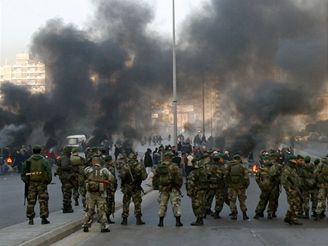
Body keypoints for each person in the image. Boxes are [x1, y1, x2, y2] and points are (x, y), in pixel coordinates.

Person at [21, 145, 52, 225]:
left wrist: (27, 181)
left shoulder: (28, 161)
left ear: (33, 151)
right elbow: (49, 172)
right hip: (42, 184)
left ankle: (30, 219)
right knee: (43, 201)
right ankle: (44, 218)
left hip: (31, 184)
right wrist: (47, 181)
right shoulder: (44, 161)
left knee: (31, 201)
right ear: (40, 151)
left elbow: (23, 173)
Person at [82, 156, 114, 232]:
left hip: (90, 194)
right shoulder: (104, 170)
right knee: (101, 210)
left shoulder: (87, 169)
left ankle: (85, 225)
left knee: (89, 210)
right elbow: (111, 178)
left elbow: (83, 178)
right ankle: (104, 227)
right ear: (99, 162)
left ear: (92, 162)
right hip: (101, 193)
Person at [152, 151, 183, 227]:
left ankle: (161, 222)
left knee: (162, 205)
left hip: (163, 189)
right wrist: (178, 185)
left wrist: (157, 186)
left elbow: (155, 177)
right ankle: (178, 222)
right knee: (175, 204)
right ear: (170, 157)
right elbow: (179, 177)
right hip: (173, 188)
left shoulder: (160, 166)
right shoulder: (174, 166)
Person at [120, 152, 147, 225]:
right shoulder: (139, 166)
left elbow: (122, 176)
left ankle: (124, 220)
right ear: (135, 157)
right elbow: (144, 177)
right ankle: (138, 220)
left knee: (126, 203)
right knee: (137, 203)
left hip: (127, 187)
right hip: (136, 187)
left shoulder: (125, 166)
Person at [225, 154, 249, 220]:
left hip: (232, 186)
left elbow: (226, 176)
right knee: (242, 201)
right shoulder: (242, 166)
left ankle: (234, 214)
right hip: (241, 187)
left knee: (232, 201)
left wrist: (228, 184)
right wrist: (246, 185)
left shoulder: (229, 166)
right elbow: (246, 177)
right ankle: (244, 215)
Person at [281, 156, 302, 225]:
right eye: (294, 160)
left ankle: (288, 217)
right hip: (291, 189)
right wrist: (288, 189)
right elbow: (283, 181)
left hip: (295, 188)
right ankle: (294, 218)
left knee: (294, 204)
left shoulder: (293, 168)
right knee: (295, 204)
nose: (296, 161)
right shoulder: (287, 169)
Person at [187, 158, 208, 226]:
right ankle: (201, 218)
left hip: (196, 191)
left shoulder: (193, 172)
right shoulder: (204, 171)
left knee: (196, 205)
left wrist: (189, 192)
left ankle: (199, 220)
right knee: (202, 204)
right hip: (203, 190)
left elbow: (190, 183)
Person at [206, 153, 227, 219]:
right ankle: (217, 213)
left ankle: (207, 210)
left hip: (210, 185)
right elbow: (225, 176)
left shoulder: (208, 166)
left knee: (209, 198)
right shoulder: (222, 167)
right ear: (219, 160)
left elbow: (205, 175)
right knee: (219, 199)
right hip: (219, 186)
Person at [56, 146, 76, 213]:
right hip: (66, 177)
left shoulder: (63, 157)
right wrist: (71, 167)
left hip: (64, 177)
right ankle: (67, 207)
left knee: (66, 191)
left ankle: (67, 206)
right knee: (67, 192)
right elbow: (64, 166)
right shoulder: (65, 158)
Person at [103, 155, 117, 224]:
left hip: (104, 188)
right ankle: (107, 217)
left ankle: (105, 217)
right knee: (110, 203)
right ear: (109, 161)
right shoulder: (110, 168)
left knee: (105, 202)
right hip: (109, 188)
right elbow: (113, 179)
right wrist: (114, 187)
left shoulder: (103, 167)